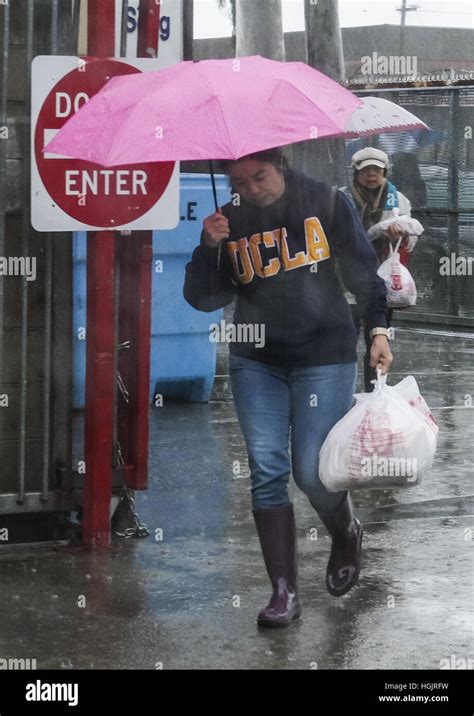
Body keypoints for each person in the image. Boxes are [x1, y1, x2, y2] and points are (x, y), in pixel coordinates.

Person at [183, 148, 393, 628]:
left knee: (313, 471)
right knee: (266, 470)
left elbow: (365, 274)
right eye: (240, 183)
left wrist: (379, 331)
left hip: (324, 354)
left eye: (259, 177)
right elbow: (203, 298)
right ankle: (283, 591)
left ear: (281, 166)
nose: (251, 190)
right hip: (256, 359)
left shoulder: (325, 201)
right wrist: (208, 246)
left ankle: (345, 532)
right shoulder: (227, 219)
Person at [343, 147, 421, 392]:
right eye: (366, 170)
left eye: (376, 170)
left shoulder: (398, 200)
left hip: (381, 282)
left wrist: (399, 236)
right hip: (347, 280)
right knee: (345, 339)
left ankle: (374, 391)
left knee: (377, 338)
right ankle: (341, 392)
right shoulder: (342, 198)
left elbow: (411, 239)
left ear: (385, 172)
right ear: (356, 173)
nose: (371, 175)